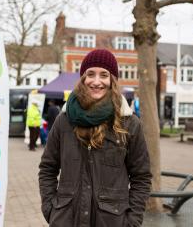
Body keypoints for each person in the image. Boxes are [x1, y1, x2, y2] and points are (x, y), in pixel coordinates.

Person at [39, 49, 152, 227]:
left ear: (112, 80)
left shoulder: (129, 123)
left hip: (112, 221)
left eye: (104, 75)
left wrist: (132, 220)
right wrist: (50, 209)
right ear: (83, 78)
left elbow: (141, 176)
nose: (96, 81)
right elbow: (48, 168)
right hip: (67, 220)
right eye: (90, 74)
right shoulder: (64, 120)